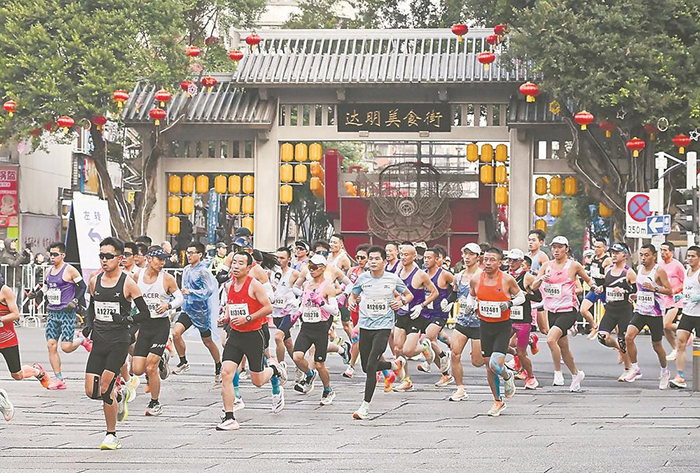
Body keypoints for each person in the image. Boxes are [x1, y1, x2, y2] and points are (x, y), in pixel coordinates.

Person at [83, 237, 150, 450]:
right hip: (99, 340)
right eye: (101, 256)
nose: (104, 260)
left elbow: (145, 314)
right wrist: (88, 324)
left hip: (119, 341)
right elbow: (91, 307)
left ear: (120, 258)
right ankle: (121, 394)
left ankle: (111, 435)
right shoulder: (95, 281)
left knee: (105, 387)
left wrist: (126, 320)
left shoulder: (128, 283)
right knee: (91, 391)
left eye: (108, 256)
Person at [216, 251, 287, 430]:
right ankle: (229, 417)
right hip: (235, 335)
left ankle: (274, 370)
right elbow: (232, 305)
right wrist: (226, 316)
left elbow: (268, 308)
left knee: (258, 381)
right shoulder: (229, 285)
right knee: (226, 373)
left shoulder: (254, 285)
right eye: (234, 262)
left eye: (241, 263)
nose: (235, 266)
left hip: (254, 336)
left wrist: (248, 318)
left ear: (249, 268)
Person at [348, 246, 412, 420]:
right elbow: (353, 295)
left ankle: (365, 406)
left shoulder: (392, 278)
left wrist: (401, 302)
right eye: (371, 259)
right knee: (365, 366)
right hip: (365, 326)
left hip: (383, 327)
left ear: (384, 261)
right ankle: (393, 365)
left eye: (377, 259)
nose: (373, 262)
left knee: (371, 366)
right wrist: (352, 302)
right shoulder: (363, 278)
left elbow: (408, 295)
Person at [531, 236, 594, 391]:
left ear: (566, 249)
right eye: (554, 247)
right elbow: (533, 286)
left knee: (550, 339)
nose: (556, 250)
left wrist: (596, 287)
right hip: (552, 310)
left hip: (568, 310)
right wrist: (541, 279)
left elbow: (588, 280)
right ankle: (576, 374)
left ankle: (557, 373)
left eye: (560, 247)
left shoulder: (573, 266)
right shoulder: (546, 266)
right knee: (564, 347)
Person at [469, 247, 525, 416]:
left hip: (502, 327)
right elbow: (471, 296)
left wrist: (509, 303)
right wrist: (471, 306)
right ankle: (498, 401)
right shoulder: (476, 279)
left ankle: (508, 375)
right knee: (489, 367)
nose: (488, 263)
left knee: (495, 364)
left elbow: (521, 297)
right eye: (485, 259)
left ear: (500, 263)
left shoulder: (507, 279)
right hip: (485, 326)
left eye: (492, 260)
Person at [26, 242, 91, 390]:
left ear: (63, 255)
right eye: (50, 254)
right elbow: (46, 288)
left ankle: (82, 339)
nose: (52, 257)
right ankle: (59, 378)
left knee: (66, 347)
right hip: (52, 312)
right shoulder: (49, 271)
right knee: (51, 345)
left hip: (66, 312)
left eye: (55, 254)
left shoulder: (70, 270)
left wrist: (75, 301)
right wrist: (36, 294)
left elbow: (83, 287)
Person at [131, 246, 183, 416]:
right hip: (144, 325)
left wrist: (168, 305)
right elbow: (129, 294)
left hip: (160, 326)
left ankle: (155, 402)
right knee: (138, 369)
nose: (162, 263)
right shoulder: (137, 276)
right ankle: (162, 360)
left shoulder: (167, 278)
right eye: (159, 259)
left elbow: (180, 298)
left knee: (150, 366)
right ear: (148, 258)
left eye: (164, 260)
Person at [288, 254, 340, 405]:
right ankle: (309, 375)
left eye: (314, 267)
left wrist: (322, 303)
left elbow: (335, 310)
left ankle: (328, 390)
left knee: (319, 364)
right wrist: (298, 312)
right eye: (309, 267)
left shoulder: (328, 286)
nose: (311, 270)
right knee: (297, 357)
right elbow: (304, 303)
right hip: (306, 326)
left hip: (320, 328)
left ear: (323, 269)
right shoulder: (307, 285)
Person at [0, 276, 52, 422]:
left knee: (17, 375)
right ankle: (2, 403)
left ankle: (36, 371)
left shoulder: (4, 290)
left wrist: (1, 319)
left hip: (7, 339)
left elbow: (15, 314)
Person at [623, 244, 674, 388]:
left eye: (646, 255)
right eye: (641, 255)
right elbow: (641, 289)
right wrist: (636, 295)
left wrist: (654, 288)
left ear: (654, 256)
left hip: (655, 313)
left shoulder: (659, 271)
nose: (643, 258)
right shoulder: (639, 269)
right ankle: (635, 368)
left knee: (656, 345)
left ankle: (664, 371)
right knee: (628, 337)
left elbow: (669, 291)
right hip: (640, 310)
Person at [171, 241, 222, 382]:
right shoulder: (186, 269)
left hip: (201, 312)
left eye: (192, 253)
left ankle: (218, 365)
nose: (189, 255)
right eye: (188, 252)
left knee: (207, 341)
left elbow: (208, 291)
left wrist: (191, 292)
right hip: (187, 310)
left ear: (200, 254)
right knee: (176, 333)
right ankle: (183, 362)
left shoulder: (203, 271)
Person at [392, 245, 437, 392]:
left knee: (408, 351)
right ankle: (407, 381)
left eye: (406, 255)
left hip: (415, 316)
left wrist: (422, 305)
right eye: (401, 254)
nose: (403, 257)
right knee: (398, 349)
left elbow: (434, 292)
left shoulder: (420, 274)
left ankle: (424, 347)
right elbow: (397, 292)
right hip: (401, 314)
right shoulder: (399, 272)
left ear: (414, 256)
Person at [595, 243, 636, 381]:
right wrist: (601, 289)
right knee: (602, 337)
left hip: (624, 310)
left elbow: (637, 292)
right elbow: (606, 285)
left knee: (623, 339)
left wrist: (625, 291)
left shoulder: (629, 272)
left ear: (624, 255)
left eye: (617, 253)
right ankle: (618, 348)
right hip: (610, 309)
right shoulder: (608, 270)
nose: (614, 255)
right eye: (613, 252)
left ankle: (628, 369)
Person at [448, 243, 484, 401]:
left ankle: (500, 365)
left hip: (478, 323)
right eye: (465, 254)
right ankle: (460, 388)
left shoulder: (482, 275)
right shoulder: (458, 276)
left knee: (478, 361)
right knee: (454, 354)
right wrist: (448, 302)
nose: (467, 257)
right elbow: (454, 293)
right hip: (462, 321)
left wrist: (476, 305)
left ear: (478, 257)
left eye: (471, 254)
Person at [416, 247, 454, 385]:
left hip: (439, 313)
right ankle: (445, 374)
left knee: (427, 339)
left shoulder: (445, 275)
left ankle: (436, 358)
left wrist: (450, 301)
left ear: (437, 259)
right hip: (426, 313)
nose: (426, 260)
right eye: (424, 258)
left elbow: (457, 288)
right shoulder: (422, 274)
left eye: (429, 258)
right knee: (431, 343)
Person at [507, 249, 539, 390]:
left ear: (521, 261)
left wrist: (526, 295)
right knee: (500, 346)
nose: (511, 263)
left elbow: (539, 297)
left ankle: (531, 377)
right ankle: (513, 366)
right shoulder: (505, 275)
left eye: (514, 260)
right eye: (509, 260)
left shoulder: (527, 277)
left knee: (521, 352)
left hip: (523, 320)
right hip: (507, 318)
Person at [671, 245, 700, 388]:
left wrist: (698, 297)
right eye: (688, 256)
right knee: (680, 342)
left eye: (693, 256)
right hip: (688, 313)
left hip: (699, 315)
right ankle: (680, 376)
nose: (690, 259)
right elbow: (688, 289)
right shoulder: (687, 271)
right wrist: (681, 296)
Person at [341, 245, 369, 378]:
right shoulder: (352, 271)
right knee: (361, 339)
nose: (359, 260)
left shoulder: (372, 274)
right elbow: (347, 286)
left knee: (356, 336)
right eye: (357, 257)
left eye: (363, 257)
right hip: (354, 309)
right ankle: (385, 370)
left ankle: (351, 366)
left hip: (368, 310)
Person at [270, 247, 299, 363]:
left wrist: (298, 301)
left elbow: (306, 287)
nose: (279, 260)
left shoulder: (294, 274)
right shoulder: (271, 273)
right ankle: (301, 366)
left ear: (289, 259)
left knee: (278, 337)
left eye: (282, 258)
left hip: (290, 312)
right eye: (277, 257)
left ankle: (280, 367)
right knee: (288, 343)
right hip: (276, 311)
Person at [659, 241, 685, 362]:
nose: (662, 253)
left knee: (666, 324)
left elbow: (686, 281)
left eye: (665, 250)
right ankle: (675, 349)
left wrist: (675, 290)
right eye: (661, 250)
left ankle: (687, 329)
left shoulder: (677, 265)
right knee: (665, 328)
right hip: (664, 300)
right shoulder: (659, 265)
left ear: (671, 252)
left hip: (676, 300)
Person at [580, 239, 612, 338]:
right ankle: (594, 327)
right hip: (595, 288)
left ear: (604, 248)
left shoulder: (607, 260)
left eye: (599, 247)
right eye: (595, 247)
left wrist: (602, 285)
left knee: (611, 314)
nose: (596, 249)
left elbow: (609, 276)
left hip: (604, 289)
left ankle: (619, 336)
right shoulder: (593, 258)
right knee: (583, 310)